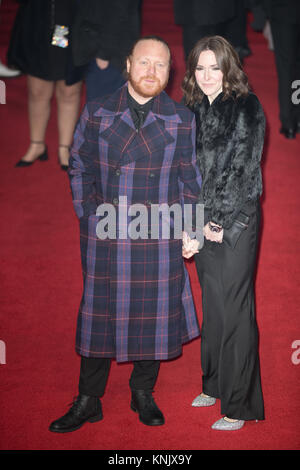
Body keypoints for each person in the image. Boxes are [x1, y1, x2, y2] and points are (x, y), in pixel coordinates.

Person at [49, 36, 202, 433]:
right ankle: (88, 398)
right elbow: (78, 165)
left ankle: (142, 391)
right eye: (144, 63)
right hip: (107, 231)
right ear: (129, 65)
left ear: (171, 73)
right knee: (99, 313)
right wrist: (88, 214)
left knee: (153, 314)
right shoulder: (98, 112)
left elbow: (191, 181)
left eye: (161, 65)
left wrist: (189, 229)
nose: (151, 72)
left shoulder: (182, 119)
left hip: (157, 232)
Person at [182, 35, 265, 430]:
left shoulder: (246, 106)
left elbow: (243, 170)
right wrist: (189, 225)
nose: (207, 75)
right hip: (202, 221)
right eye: (200, 68)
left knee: (235, 308)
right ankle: (214, 383)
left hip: (235, 221)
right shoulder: (194, 107)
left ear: (229, 68)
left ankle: (240, 404)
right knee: (213, 304)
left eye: (215, 67)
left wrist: (216, 222)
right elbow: (188, 174)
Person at [7, 0, 84, 169]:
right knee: (37, 90)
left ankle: (65, 147)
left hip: (72, 22)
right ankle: (37, 144)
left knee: (68, 90)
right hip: (38, 23)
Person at [71, 0, 141, 102]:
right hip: (105, 49)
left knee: (104, 108)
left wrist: (104, 54)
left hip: (109, 54)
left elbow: (117, 11)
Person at [262, 0, 300, 139]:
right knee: (295, 67)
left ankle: (289, 121)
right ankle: (297, 116)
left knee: (286, 68)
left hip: (282, 10)